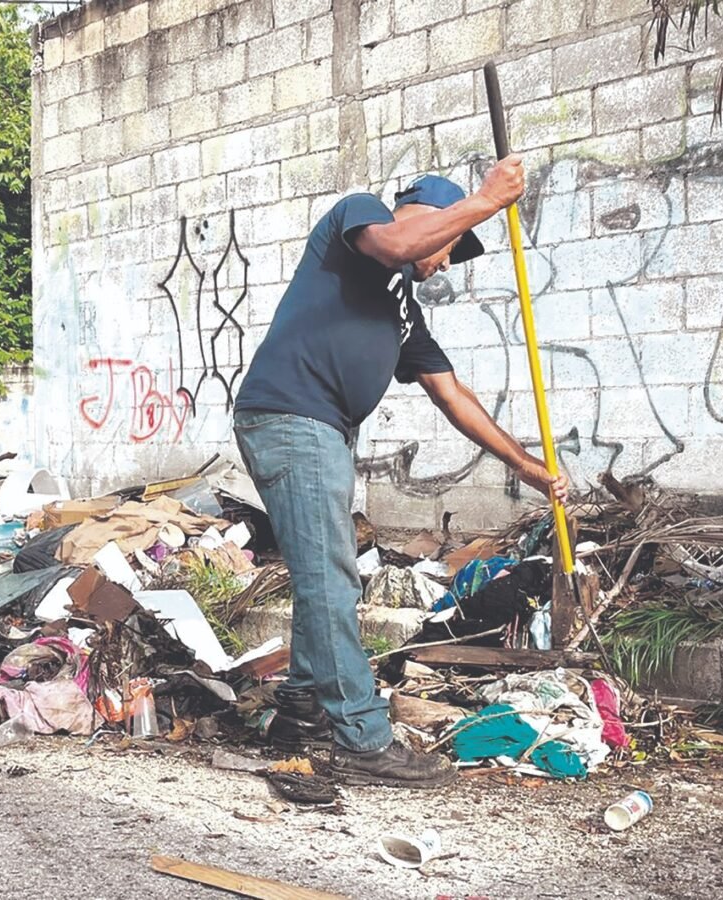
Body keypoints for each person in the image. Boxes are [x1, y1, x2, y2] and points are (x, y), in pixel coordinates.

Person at [232, 155, 570, 789]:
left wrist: (526, 466)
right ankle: (361, 738)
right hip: (291, 417)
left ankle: (303, 709)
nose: (443, 262)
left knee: (323, 574)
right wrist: (488, 201)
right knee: (332, 580)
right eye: (446, 244)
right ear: (428, 216)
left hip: (324, 430)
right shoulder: (361, 220)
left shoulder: (403, 312)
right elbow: (398, 243)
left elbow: (452, 394)